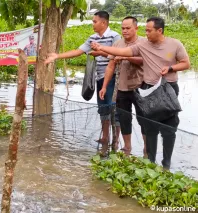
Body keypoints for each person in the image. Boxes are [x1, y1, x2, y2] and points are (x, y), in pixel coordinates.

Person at [90, 17, 190, 169]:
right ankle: (150, 162)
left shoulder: (174, 44)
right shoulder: (143, 45)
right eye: (146, 30)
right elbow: (122, 51)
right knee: (150, 128)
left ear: (160, 31)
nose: (147, 33)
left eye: (149, 31)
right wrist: (101, 48)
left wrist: (170, 69)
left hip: (168, 89)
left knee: (169, 128)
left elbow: (186, 63)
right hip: (148, 89)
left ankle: (166, 163)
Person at [45, 11, 121, 152]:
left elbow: (118, 55)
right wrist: (57, 56)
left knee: (113, 108)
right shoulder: (92, 38)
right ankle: (105, 137)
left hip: (112, 78)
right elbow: (78, 51)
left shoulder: (115, 36)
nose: (93, 24)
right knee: (103, 108)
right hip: (99, 77)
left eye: (94, 21)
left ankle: (116, 140)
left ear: (103, 23)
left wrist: (100, 52)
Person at [99, 16, 146, 156]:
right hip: (122, 87)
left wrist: (126, 57)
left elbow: (143, 61)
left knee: (143, 118)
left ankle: (146, 149)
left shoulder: (144, 43)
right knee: (124, 118)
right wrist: (104, 86)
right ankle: (127, 147)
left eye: (128, 28)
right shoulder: (118, 44)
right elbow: (110, 66)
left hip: (141, 87)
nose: (124, 31)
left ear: (136, 28)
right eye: (123, 28)